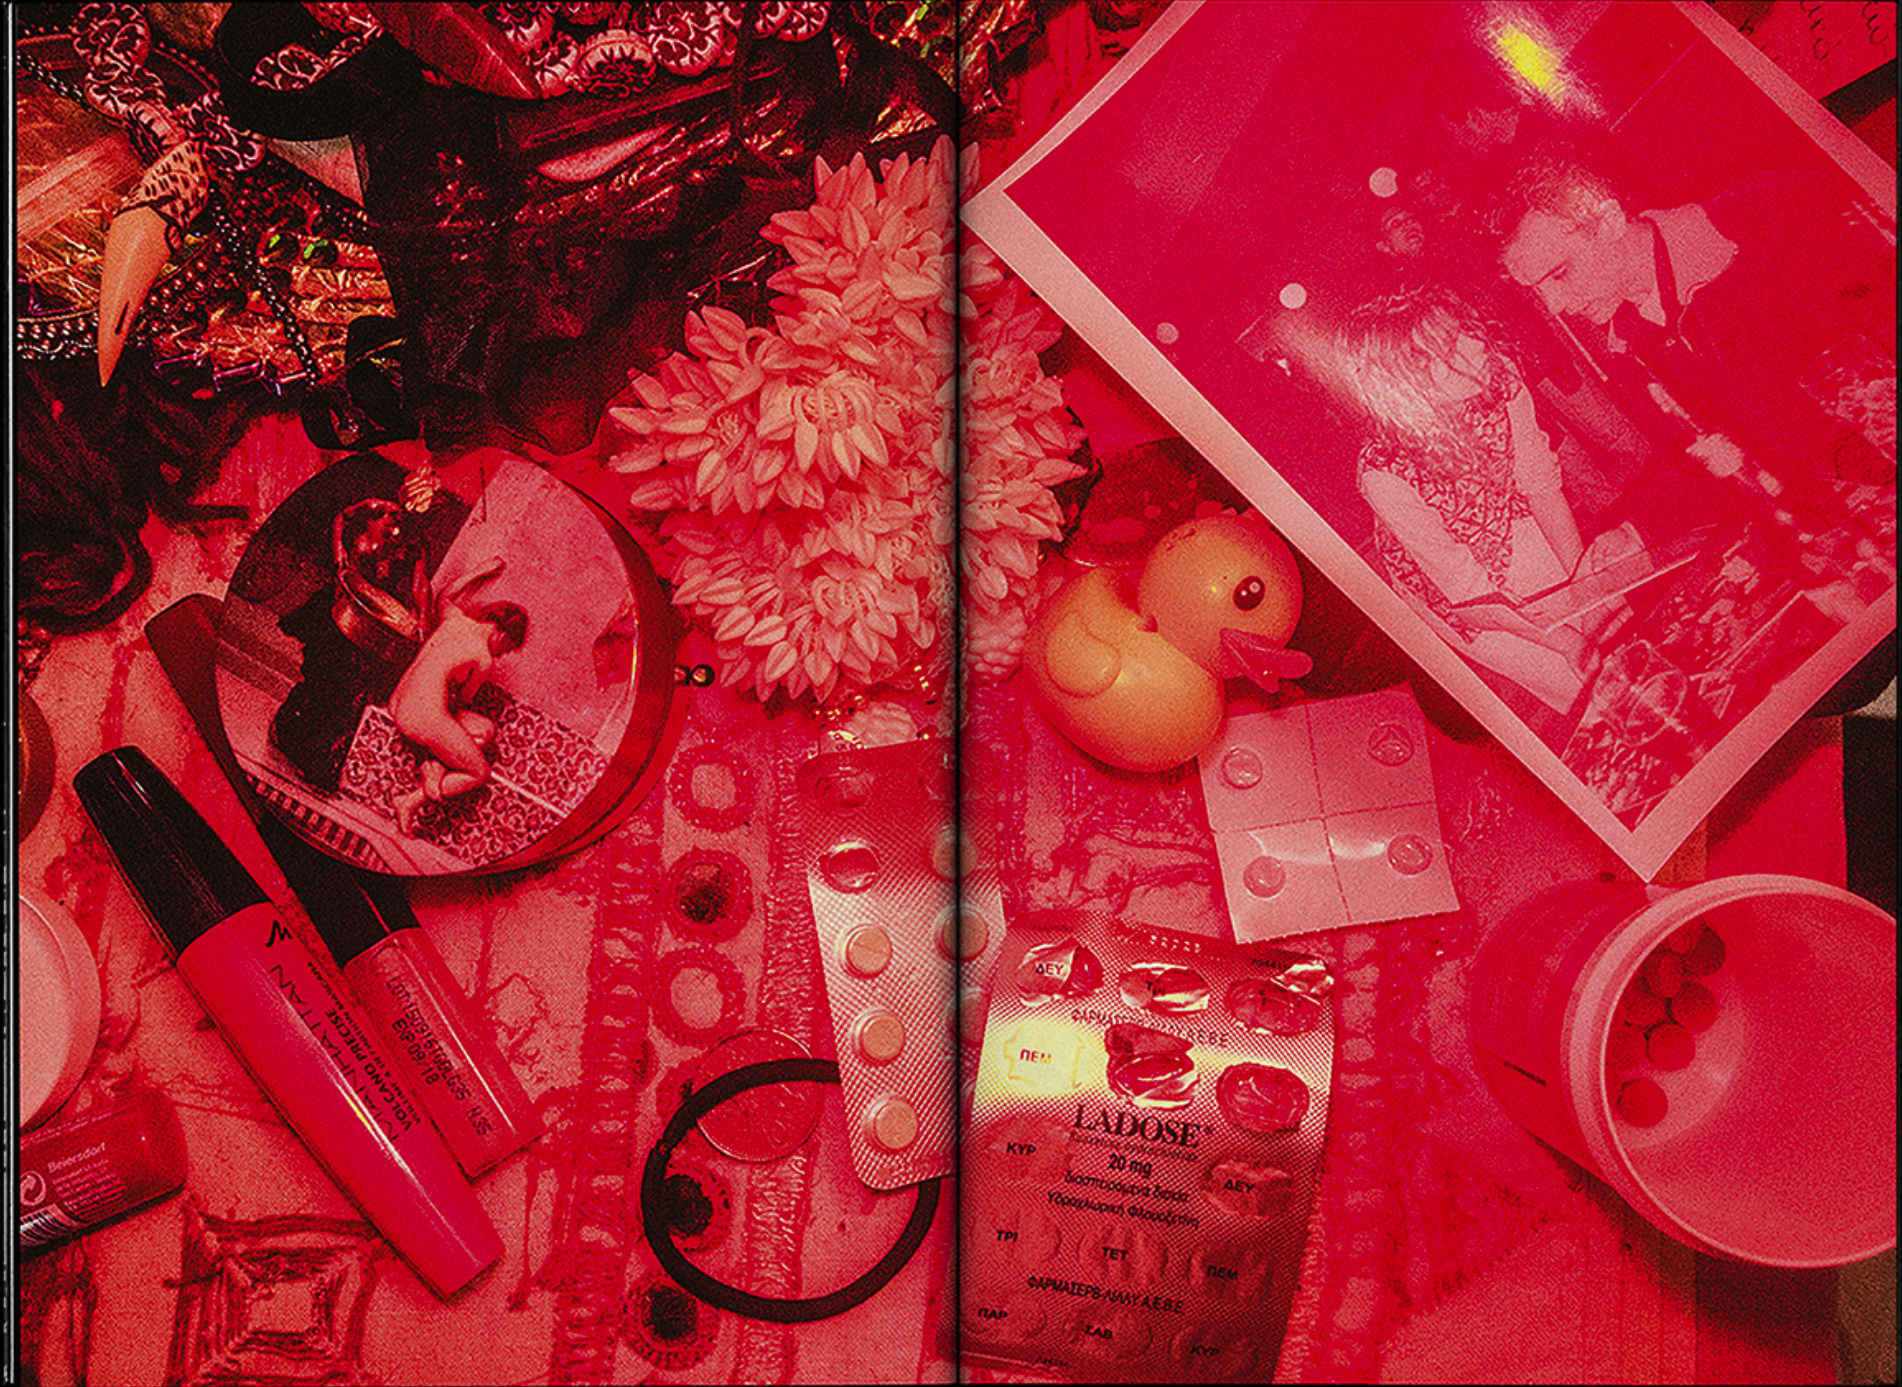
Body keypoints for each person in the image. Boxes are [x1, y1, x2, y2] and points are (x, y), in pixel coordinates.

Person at [1497, 152, 1897, 493]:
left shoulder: (1778, 208)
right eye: (1538, 292)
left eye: (1560, 273)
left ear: (1609, 222)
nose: (1554, 306)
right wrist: (1637, 533)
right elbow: (1707, 464)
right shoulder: (1630, 345)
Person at [1341, 285, 1639, 717]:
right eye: (1449, 347)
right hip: (1459, 594)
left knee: (1617, 633)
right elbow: (1470, 594)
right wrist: (1566, 640)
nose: (1477, 344)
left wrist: (1585, 591)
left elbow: (1540, 486)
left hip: (1512, 523)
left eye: (1463, 327)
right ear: (1408, 383)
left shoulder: (1497, 376)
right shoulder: (1384, 475)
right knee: (1581, 686)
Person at [389, 599, 529, 835]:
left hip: (398, 704)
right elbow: (462, 701)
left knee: (485, 729)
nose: (502, 654)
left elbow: (441, 597)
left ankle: (432, 765)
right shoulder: (483, 659)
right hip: (421, 720)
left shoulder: (454, 619)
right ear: (502, 634)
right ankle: (410, 800)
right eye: (506, 648)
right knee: (479, 773)